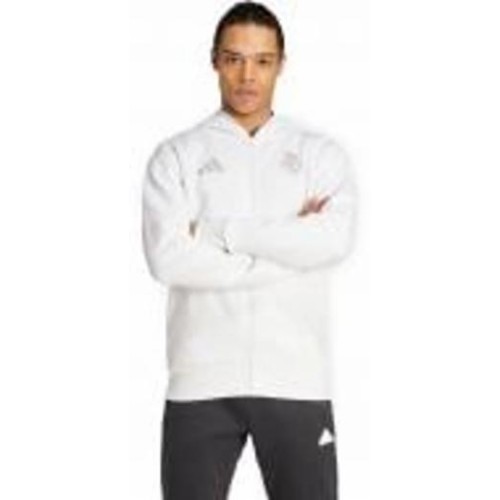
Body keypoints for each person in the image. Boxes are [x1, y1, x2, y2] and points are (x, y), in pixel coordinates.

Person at [141, 2, 357, 498]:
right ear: (214, 61)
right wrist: (288, 253)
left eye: (262, 61)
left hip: (297, 379)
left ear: (281, 64)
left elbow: (333, 240)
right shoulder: (177, 155)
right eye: (234, 59)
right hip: (199, 380)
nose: (247, 76)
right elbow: (167, 258)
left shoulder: (320, 154)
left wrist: (216, 232)